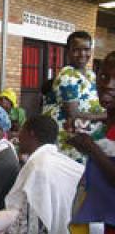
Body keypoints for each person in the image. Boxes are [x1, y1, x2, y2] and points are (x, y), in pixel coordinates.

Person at [0, 115, 84, 234]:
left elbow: (32, 220)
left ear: (30, 133)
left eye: (21, 131)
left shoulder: (38, 167)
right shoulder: (59, 161)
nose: (18, 137)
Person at [68, 51, 115, 234]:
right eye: (104, 76)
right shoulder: (107, 120)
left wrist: (91, 148)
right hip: (100, 219)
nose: (108, 85)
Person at [46, 31, 106, 163]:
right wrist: (105, 116)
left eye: (86, 49)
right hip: (71, 142)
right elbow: (73, 113)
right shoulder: (67, 75)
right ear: (68, 51)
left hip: (87, 140)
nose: (82, 54)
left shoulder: (91, 75)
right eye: (76, 50)